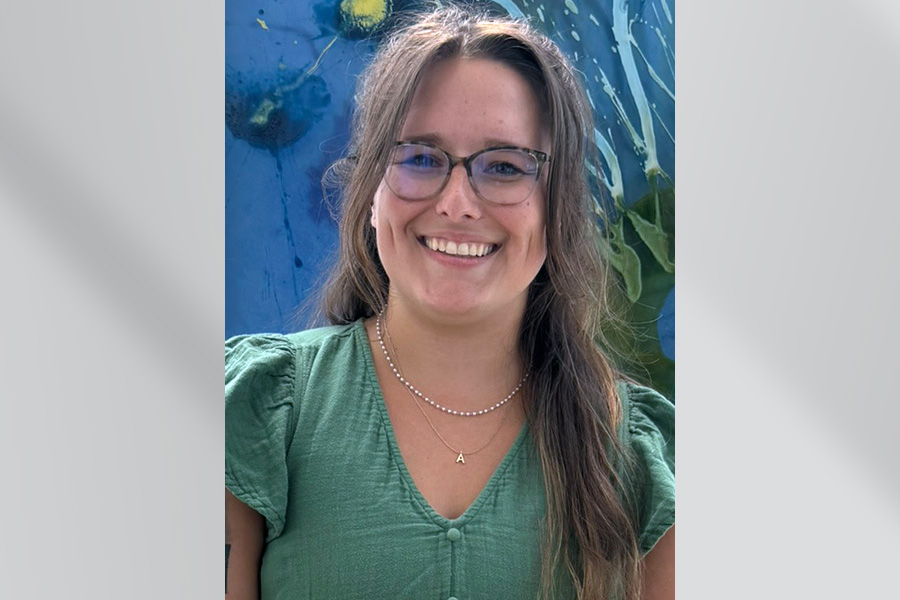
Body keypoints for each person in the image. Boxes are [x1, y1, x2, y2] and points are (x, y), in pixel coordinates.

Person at [225, 5, 674, 599]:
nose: (457, 203)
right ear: (371, 193)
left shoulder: (634, 452)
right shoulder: (260, 413)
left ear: (557, 206)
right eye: (419, 157)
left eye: (505, 166)